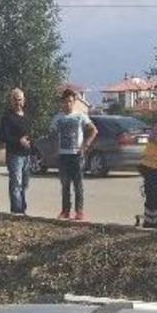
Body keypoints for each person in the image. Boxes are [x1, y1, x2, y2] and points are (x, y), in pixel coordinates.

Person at [48, 89, 97, 221]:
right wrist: (55, 148)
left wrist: (85, 146)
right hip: (63, 155)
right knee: (65, 185)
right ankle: (65, 211)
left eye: (70, 101)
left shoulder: (80, 116)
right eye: (65, 102)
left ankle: (79, 211)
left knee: (78, 184)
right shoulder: (58, 118)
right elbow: (52, 134)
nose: (67, 104)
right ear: (62, 102)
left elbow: (93, 130)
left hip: (76, 154)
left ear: (74, 102)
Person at [0, 88, 34, 214]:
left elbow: (30, 134)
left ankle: (22, 210)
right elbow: (3, 136)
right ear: (11, 101)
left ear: (23, 101)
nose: (17, 102)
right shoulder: (7, 117)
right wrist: (19, 141)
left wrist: (31, 147)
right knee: (16, 184)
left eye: (19, 99)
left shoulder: (27, 116)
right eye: (15, 99)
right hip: (14, 155)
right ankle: (16, 211)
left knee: (24, 184)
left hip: (27, 155)